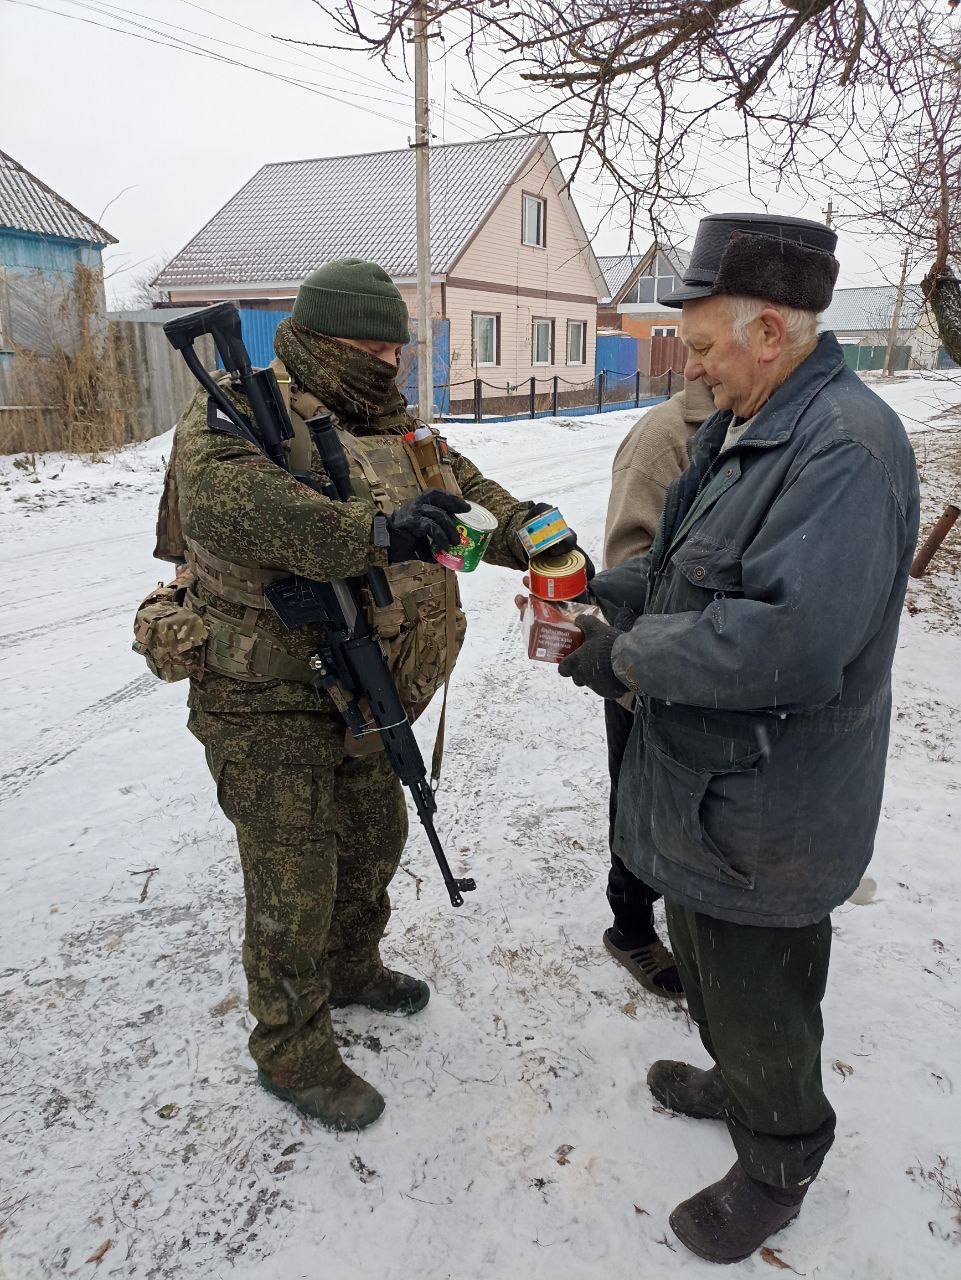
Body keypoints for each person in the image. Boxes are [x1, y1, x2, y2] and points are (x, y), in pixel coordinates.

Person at [145, 259, 587, 1132]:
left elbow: (460, 493)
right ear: (316, 340)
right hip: (261, 694)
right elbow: (236, 508)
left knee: (373, 836)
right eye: (370, 347)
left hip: (356, 683)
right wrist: (377, 531)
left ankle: (351, 968)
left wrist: (529, 534)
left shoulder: (387, 423)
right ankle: (291, 1048)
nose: (388, 363)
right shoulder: (231, 409)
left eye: (395, 347)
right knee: (293, 880)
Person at [557, 214, 919, 1263]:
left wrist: (622, 657)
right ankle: (739, 1076)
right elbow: (685, 570)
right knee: (711, 958)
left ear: (770, 330)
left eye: (706, 345)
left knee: (758, 978)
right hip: (713, 787)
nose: (694, 365)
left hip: (773, 804)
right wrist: (599, 596)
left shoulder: (844, 448)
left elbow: (788, 643)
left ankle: (781, 1153)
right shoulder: (745, 422)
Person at [601, 377, 715, 997]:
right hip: (651, 671)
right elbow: (628, 564)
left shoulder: (766, 425)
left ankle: (701, 924)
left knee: (697, 810)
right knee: (638, 800)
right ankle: (632, 928)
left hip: (718, 672)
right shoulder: (663, 439)